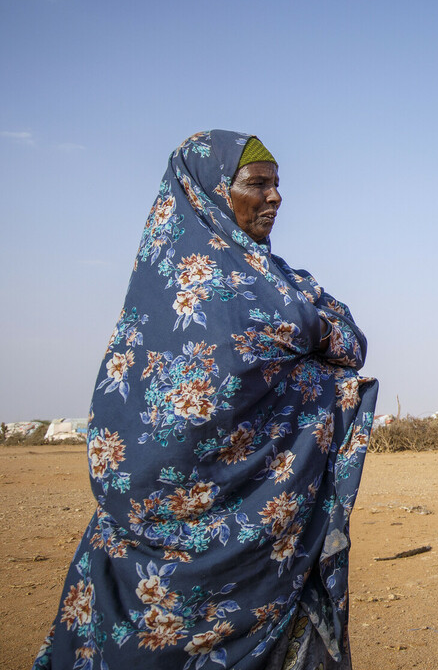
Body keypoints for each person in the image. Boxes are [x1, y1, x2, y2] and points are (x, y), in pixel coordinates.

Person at [35, 130, 377, 670]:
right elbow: (339, 339)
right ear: (211, 192)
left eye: (277, 185)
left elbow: (349, 343)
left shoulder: (232, 280)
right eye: (257, 184)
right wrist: (317, 375)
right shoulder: (239, 288)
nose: (274, 197)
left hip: (175, 550)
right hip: (189, 537)